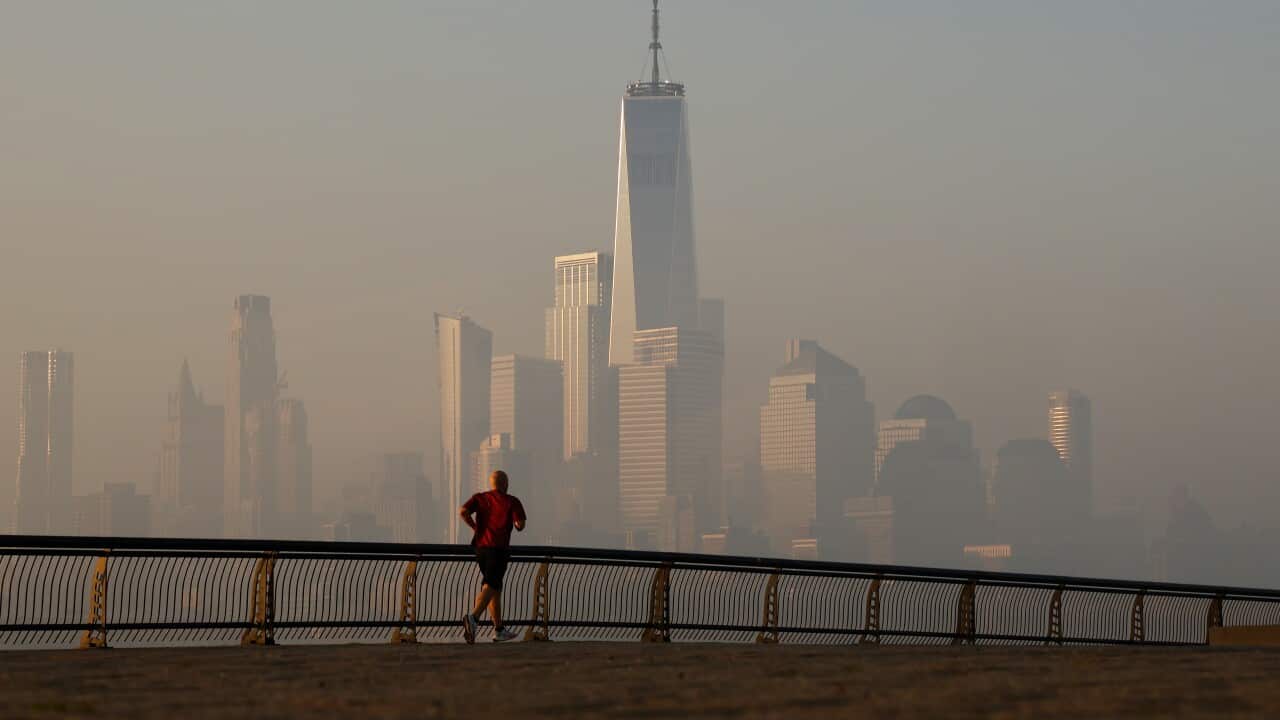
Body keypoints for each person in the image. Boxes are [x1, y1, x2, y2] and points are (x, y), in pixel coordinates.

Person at [459, 469, 527, 643]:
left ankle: (498, 629)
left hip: (480, 549)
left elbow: (462, 512)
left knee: (494, 586)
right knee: (491, 584)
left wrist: (475, 528)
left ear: (492, 483)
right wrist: (517, 524)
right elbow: (520, 524)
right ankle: (473, 618)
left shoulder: (480, 498)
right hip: (498, 549)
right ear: (505, 484)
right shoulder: (511, 501)